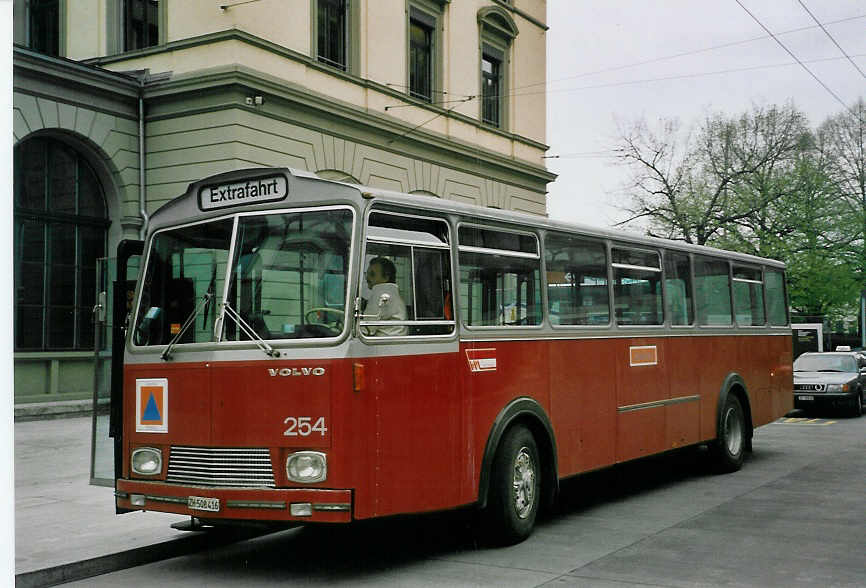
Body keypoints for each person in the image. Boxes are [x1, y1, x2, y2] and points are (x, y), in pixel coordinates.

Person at [362, 257, 407, 336]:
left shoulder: (381, 291)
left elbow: (367, 329)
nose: (367, 278)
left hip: (383, 344)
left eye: (372, 274)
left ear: (386, 277)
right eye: (367, 273)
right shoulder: (393, 291)